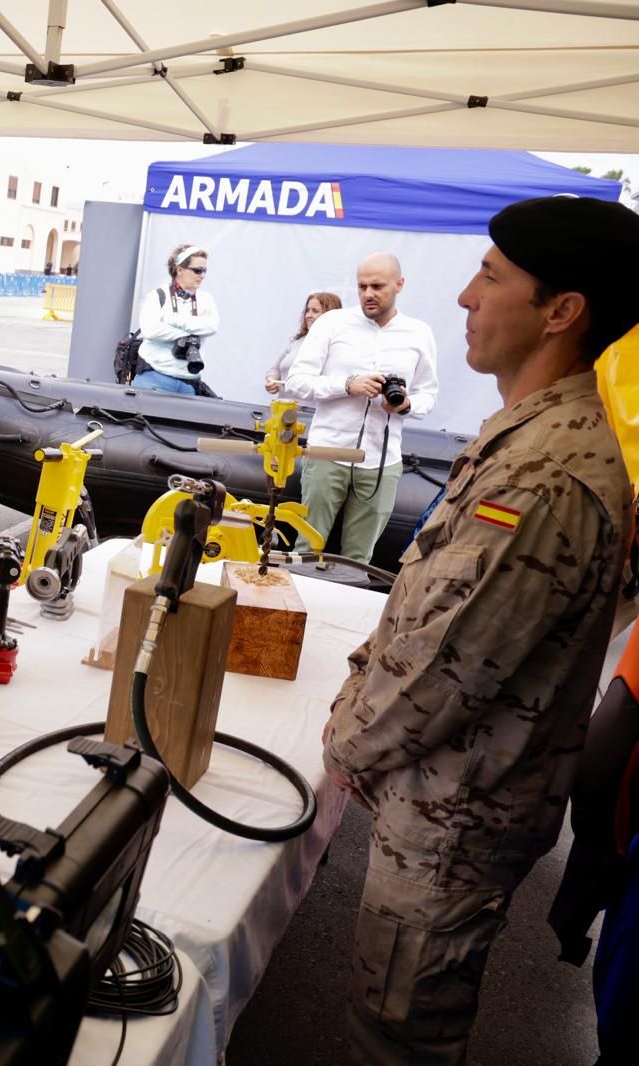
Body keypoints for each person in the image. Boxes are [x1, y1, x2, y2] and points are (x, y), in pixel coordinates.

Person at [322, 195, 638, 1065]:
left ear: (562, 311)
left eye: (492, 277)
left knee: (399, 1039)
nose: (465, 296)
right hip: (451, 801)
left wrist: (343, 742)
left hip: (453, 820)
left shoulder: (551, 471)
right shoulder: (537, 436)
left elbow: (447, 667)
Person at [284, 254, 440, 563]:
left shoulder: (419, 332)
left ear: (400, 284)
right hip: (329, 451)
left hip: (382, 461)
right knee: (306, 550)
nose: (368, 293)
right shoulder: (332, 323)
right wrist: (346, 385)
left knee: (358, 559)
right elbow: (296, 381)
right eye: (362, 286)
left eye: (377, 286)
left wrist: (406, 405)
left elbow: (428, 394)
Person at [131, 243, 218, 395]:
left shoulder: (206, 299)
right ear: (180, 270)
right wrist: (192, 331)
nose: (202, 275)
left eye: (204, 270)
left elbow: (212, 326)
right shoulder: (157, 296)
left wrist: (172, 319)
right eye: (197, 270)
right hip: (154, 378)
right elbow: (151, 331)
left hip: (189, 383)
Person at [265, 291, 341, 394]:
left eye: (315, 311)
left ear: (329, 315)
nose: (308, 315)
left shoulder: (337, 347)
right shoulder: (296, 342)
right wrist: (271, 381)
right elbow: (275, 369)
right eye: (307, 310)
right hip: (283, 407)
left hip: (313, 409)